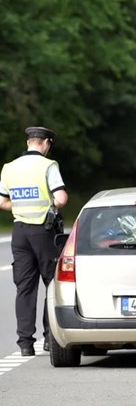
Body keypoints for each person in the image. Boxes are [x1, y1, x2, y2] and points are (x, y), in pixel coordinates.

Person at [0, 126, 68, 356]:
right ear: (46, 142)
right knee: (52, 284)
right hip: (43, 231)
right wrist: (48, 202)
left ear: (29, 142)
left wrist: (19, 206)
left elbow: (1, 202)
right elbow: (61, 198)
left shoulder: (9, 168)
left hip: (19, 233)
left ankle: (25, 344)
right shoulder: (48, 166)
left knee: (25, 287)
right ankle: (50, 338)